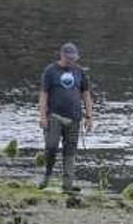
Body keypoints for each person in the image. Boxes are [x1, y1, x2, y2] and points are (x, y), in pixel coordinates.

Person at [38, 42, 95, 192]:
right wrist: (42, 116)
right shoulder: (50, 71)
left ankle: (67, 184)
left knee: (70, 151)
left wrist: (89, 117)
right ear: (62, 55)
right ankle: (48, 175)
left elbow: (86, 94)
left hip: (74, 118)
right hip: (54, 116)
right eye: (69, 57)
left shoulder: (79, 72)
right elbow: (44, 94)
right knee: (51, 146)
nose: (71, 60)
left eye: (73, 58)